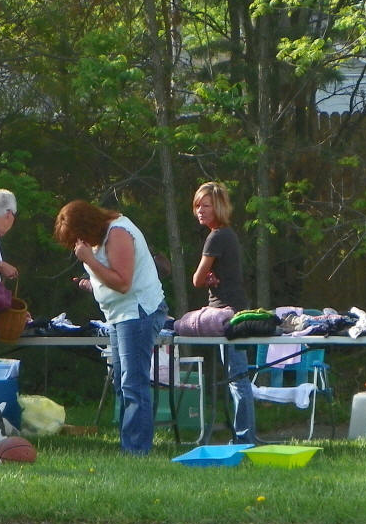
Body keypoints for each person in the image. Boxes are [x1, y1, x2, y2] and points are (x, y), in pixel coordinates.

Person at [53, 200, 168, 455]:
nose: (77, 245)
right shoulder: (97, 239)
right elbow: (108, 277)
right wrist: (93, 282)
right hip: (119, 315)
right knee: (122, 384)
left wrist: (90, 261)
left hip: (137, 311)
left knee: (133, 383)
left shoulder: (117, 233)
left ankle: (136, 450)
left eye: (77, 237)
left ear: (87, 226)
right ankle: (130, 444)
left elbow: (123, 283)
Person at [191, 181, 255, 444]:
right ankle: (242, 436)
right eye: (197, 206)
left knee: (238, 377)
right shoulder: (227, 235)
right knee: (236, 376)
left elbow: (196, 279)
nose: (200, 211)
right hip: (231, 310)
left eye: (206, 205)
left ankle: (245, 439)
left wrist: (205, 278)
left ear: (218, 207)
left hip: (228, 314)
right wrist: (211, 278)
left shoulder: (217, 236)